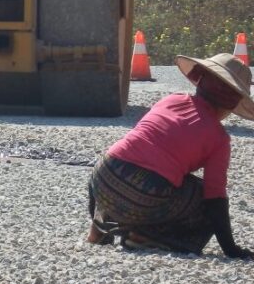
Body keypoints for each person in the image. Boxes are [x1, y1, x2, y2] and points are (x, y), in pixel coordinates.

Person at [87, 52, 254, 258]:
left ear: (200, 81)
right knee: (200, 195)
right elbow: (215, 198)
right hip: (144, 194)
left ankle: (99, 227)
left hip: (103, 175)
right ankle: (145, 237)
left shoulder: (171, 100)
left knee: (121, 166)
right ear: (231, 104)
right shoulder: (219, 139)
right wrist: (231, 249)